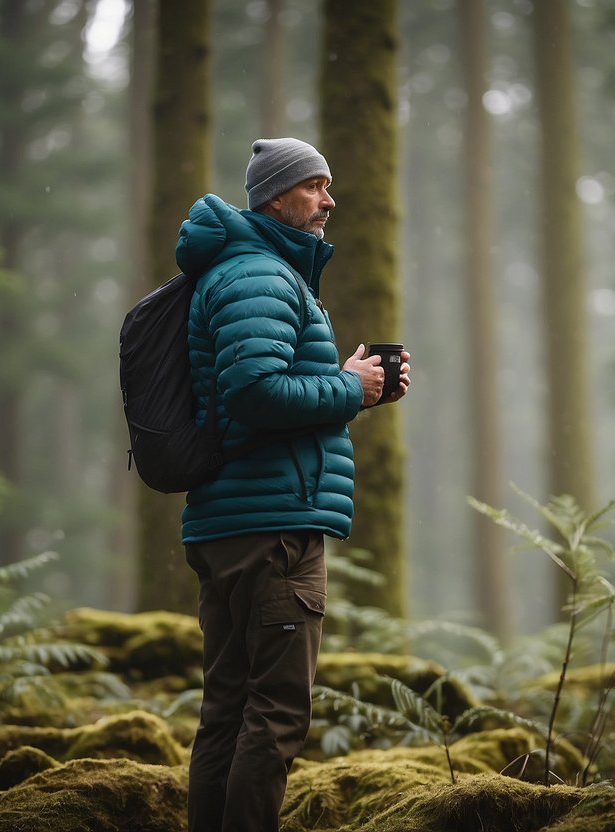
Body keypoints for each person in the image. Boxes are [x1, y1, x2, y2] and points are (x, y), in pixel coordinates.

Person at [175, 137, 411, 832]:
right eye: (315, 186)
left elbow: (253, 392)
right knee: (274, 714)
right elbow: (254, 393)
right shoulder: (260, 275)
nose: (329, 201)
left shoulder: (245, 271)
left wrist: (350, 388)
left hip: (234, 522)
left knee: (227, 709)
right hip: (272, 531)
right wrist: (347, 386)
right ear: (275, 195)